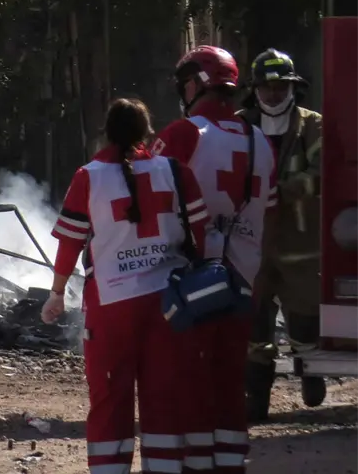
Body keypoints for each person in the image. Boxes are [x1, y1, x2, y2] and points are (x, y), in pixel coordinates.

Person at [43, 98, 209, 474]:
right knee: (164, 399)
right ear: (148, 133)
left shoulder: (88, 176)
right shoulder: (176, 171)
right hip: (169, 305)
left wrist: (56, 294)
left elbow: (70, 243)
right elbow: (200, 233)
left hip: (111, 307)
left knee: (109, 400)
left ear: (107, 132)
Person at [151, 46, 278, 474]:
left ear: (194, 84)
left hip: (192, 282)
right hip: (243, 280)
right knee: (228, 384)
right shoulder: (260, 141)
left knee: (188, 380)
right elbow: (271, 214)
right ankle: (229, 465)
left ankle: (196, 466)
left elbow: (147, 198)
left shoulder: (184, 133)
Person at [238, 48, 325, 420]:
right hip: (252, 245)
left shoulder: (312, 125)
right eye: (266, 87)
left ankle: (310, 371)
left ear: (293, 88)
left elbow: (326, 171)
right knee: (254, 326)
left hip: (299, 244)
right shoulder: (240, 125)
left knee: (305, 320)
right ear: (255, 89)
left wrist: (285, 189)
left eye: (281, 87)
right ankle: (256, 400)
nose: (273, 94)